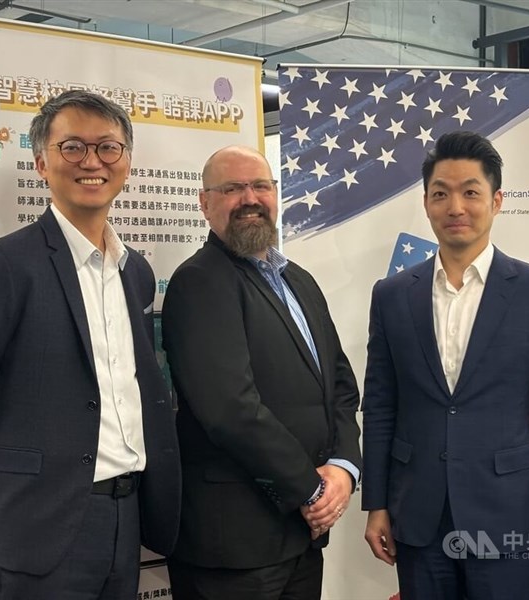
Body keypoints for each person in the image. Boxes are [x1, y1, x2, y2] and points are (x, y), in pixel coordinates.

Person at [0, 90, 181, 600]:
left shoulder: (135, 271)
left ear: (127, 163)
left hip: (125, 512)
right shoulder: (5, 266)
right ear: (42, 162)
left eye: (108, 148)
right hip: (36, 518)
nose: (92, 162)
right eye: (72, 148)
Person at [361, 130, 529, 599]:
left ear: (496, 201)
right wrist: (376, 504)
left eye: (471, 192)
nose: (456, 207)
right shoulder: (392, 296)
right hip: (419, 518)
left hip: (508, 519)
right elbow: (381, 407)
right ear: (427, 203)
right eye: (441, 193)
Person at [161, 145, 362, 600]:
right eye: (231, 188)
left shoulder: (300, 281)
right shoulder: (200, 281)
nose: (249, 198)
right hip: (233, 545)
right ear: (205, 202)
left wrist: (344, 469)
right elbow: (230, 409)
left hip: (302, 535)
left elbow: (341, 388)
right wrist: (311, 491)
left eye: (260, 186)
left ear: (275, 194)